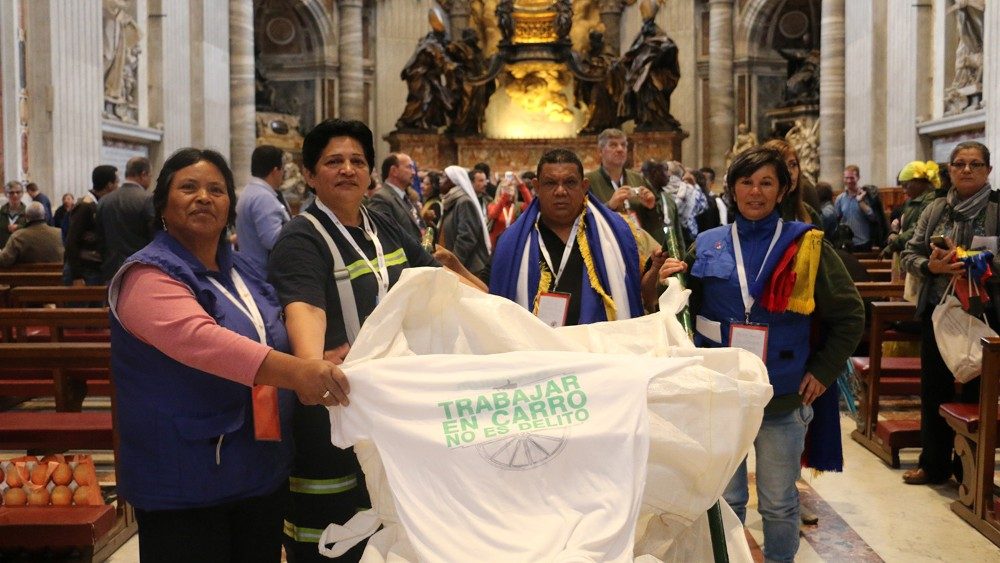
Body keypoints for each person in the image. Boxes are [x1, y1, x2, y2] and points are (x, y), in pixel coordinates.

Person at [108, 147, 349, 563]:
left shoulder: (243, 270)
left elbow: (273, 332)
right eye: (189, 188)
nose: (204, 197)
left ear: (229, 208)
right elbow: (205, 342)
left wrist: (323, 358)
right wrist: (301, 372)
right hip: (186, 480)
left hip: (258, 469)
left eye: (216, 190)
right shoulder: (147, 275)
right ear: (163, 204)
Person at [267, 119, 483, 562]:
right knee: (333, 537)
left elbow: (434, 280)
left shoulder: (382, 224)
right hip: (333, 408)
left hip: (395, 408)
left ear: (370, 173)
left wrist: (486, 304)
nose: (348, 169)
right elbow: (305, 308)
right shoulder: (301, 238)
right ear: (309, 175)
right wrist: (311, 365)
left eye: (357, 161)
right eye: (334, 162)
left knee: (390, 527)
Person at [659, 146, 863, 562]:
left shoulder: (806, 246)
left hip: (783, 397)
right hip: (720, 397)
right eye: (746, 182)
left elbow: (850, 315)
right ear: (732, 189)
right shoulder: (707, 244)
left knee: (780, 502)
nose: (755, 192)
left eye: (766, 182)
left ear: (783, 189)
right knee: (725, 501)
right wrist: (658, 282)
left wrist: (824, 371)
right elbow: (677, 311)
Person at [899, 141, 995, 485]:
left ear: (988, 170)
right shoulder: (936, 208)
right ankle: (933, 464)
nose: (967, 169)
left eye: (975, 164)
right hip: (939, 312)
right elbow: (908, 254)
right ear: (950, 169)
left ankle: (970, 471)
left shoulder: (997, 209)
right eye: (959, 163)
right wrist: (932, 266)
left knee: (977, 391)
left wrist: (970, 261)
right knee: (934, 388)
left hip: (985, 314)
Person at [490, 147, 645, 326]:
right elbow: (492, 294)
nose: (560, 191)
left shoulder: (619, 233)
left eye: (570, 182)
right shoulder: (510, 243)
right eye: (550, 183)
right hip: (534, 341)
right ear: (537, 187)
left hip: (600, 341)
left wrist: (656, 269)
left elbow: (640, 290)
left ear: (584, 186)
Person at [585, 128, 683, 252]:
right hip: (607, 250)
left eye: (623, 145)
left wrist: (651, 207)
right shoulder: (588, 181)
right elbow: (582, 220)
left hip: (639, 250)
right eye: (613, 145)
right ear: (600, 151)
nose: (620, 149)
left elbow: (654, 223)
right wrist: (609, 206)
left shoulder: (638, 179)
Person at [235, 145, 290, 281]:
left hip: (251, 269)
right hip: (262, 275)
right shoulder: (263, 198)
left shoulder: (250, 191)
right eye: (283, 169)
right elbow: (273, 240)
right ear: (275, 170)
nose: (283, 174)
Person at [97, 156, 154, 282]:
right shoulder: (148, 199)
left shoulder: (104, 200)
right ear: (143, 174)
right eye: (150, 176)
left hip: (110, 270)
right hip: (139, 270)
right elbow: (154, 237)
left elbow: (100, 238)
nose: (151, 180)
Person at [65, 165, 118, 285]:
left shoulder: (101, 204)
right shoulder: (85, 206)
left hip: (95, 268)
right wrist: (77, 276)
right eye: (116, 182)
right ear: (109, 185)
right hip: (84, 271)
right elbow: (72, 241)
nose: (118, 186)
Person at [439, 165, 491, 282]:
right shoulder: (451, 201)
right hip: (458, 267)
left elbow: (467, 237)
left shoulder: (464, 202)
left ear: (453, 181)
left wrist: (453, 264)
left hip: (469, 269)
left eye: (444, 177)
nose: (440, 180)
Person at [882, 161, 940, 256]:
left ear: (919, 182)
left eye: (906, 186)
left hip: (922, 254)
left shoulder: (931, 200)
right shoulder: (911, 201)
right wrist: (894, 233)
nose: (904, 191)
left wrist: (893, 244)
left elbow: (917, 228)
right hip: (909, 252)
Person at [763, 138, 820, 224]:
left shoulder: (809, 213)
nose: (789, 172)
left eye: (793, 165)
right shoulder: (755, 211)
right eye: (782, 165)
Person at [369, 153, 423, 242]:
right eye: (409, 167)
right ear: (394, 171)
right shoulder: (381, 198)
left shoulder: (407, 197)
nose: (413, 172)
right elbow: (384, 237)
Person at [0, 202, 63, 267]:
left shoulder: (18, 237)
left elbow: (3, 260)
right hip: (58, 273)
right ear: (45, 215)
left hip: (26, 274)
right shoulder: (60, 233)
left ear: (26, 216)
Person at [834, 165, 882, 251]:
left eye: (852, 178)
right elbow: (836, 220)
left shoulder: (867, 196)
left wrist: (861, 202)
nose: (849, 181)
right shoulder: (840, 199)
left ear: (858, 177)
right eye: (846, 178)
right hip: (846, 244)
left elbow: (873, 218)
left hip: (863, 243)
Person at [0, 181, 28, 248]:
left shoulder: (28, 212)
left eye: (18, 192)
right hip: (4, 250)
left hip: (22, 249)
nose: (15, 195)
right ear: (6, 194)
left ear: (22, 194)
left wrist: (19, 227)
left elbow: (33, 230)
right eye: (11, 193)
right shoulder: (1, 212)